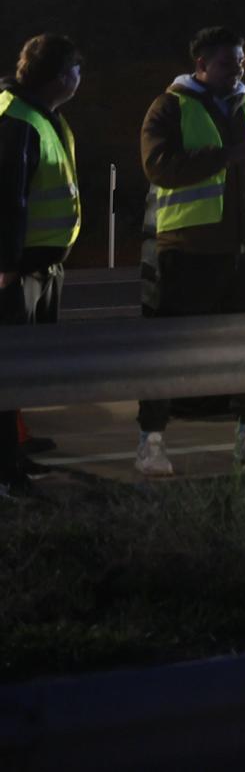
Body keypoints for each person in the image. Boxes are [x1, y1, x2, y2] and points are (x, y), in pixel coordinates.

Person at [135, 26, 245, 476]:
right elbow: (158, 166)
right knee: (168, 352)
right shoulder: (169, 107)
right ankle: (151, 440)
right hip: (188, 252)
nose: (237, 70)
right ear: (201, 65)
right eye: (227, 63)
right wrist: (223, 157)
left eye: (241, 62)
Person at [0, 35, 84, 498]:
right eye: (76, 68)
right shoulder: (16, 120)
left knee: (21, 369)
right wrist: (7, 266)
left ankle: (13, 454)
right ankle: (6, 472)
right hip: (19, 269)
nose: (80, 78)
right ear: (58, 77)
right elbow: (7, 200)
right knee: (8, 370)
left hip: (38, 265)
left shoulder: (39, 115)